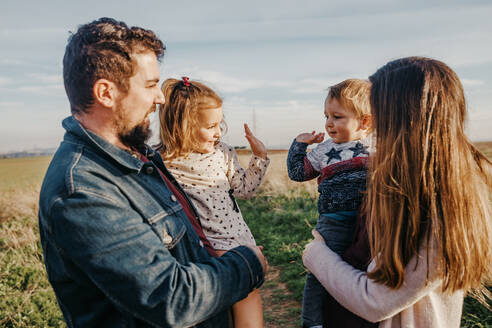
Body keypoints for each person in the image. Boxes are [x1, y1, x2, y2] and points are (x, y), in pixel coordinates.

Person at [38, 17, 267, 328]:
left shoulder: (136, 158)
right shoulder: (83, 191)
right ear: (106, 93)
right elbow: (172, 298)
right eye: (149, 85)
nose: (160, 98)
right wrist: (248, 263)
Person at [303, 57, 492, 327]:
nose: (372, 128)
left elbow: (376, 301)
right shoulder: (392, 178)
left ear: (402, 120)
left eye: (378, 116)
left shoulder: (440, 205)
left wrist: (315, 254)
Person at [157, 77, 270, 328]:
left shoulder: (223, 153)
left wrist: (260, 157)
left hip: (237, 243)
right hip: (200, 251)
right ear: (183, 126)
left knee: (247, 296)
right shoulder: (161, 162)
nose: (218, 132)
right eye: (210, 126)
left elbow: (244, 189)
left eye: (220, 124)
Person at [287, 79, 372, 328]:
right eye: (326, 116)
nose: (329, 123)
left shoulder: (378, 146)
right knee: (322, 273)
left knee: (362, 273)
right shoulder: (324, 150)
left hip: (368, 223)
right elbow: (298, 172)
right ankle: (312, 322)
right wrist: (300, 145)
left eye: (337, 116)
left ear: (365, 121)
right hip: (333, 224)